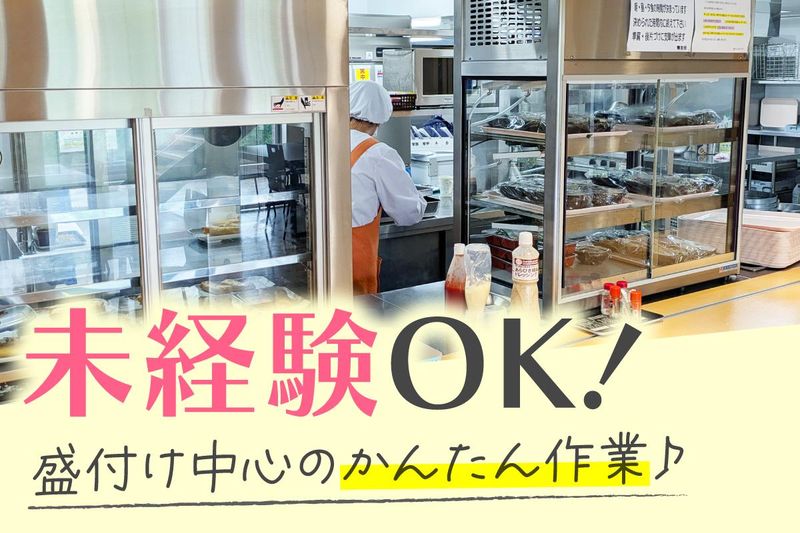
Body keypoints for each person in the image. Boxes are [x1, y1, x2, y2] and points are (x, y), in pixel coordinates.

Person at [349, 80, 426, 295]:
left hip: (321, 255)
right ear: (381, 118)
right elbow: (408, 213)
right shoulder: (378, 153)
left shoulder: (325, 140)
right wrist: (419, 199)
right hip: (355, 263)